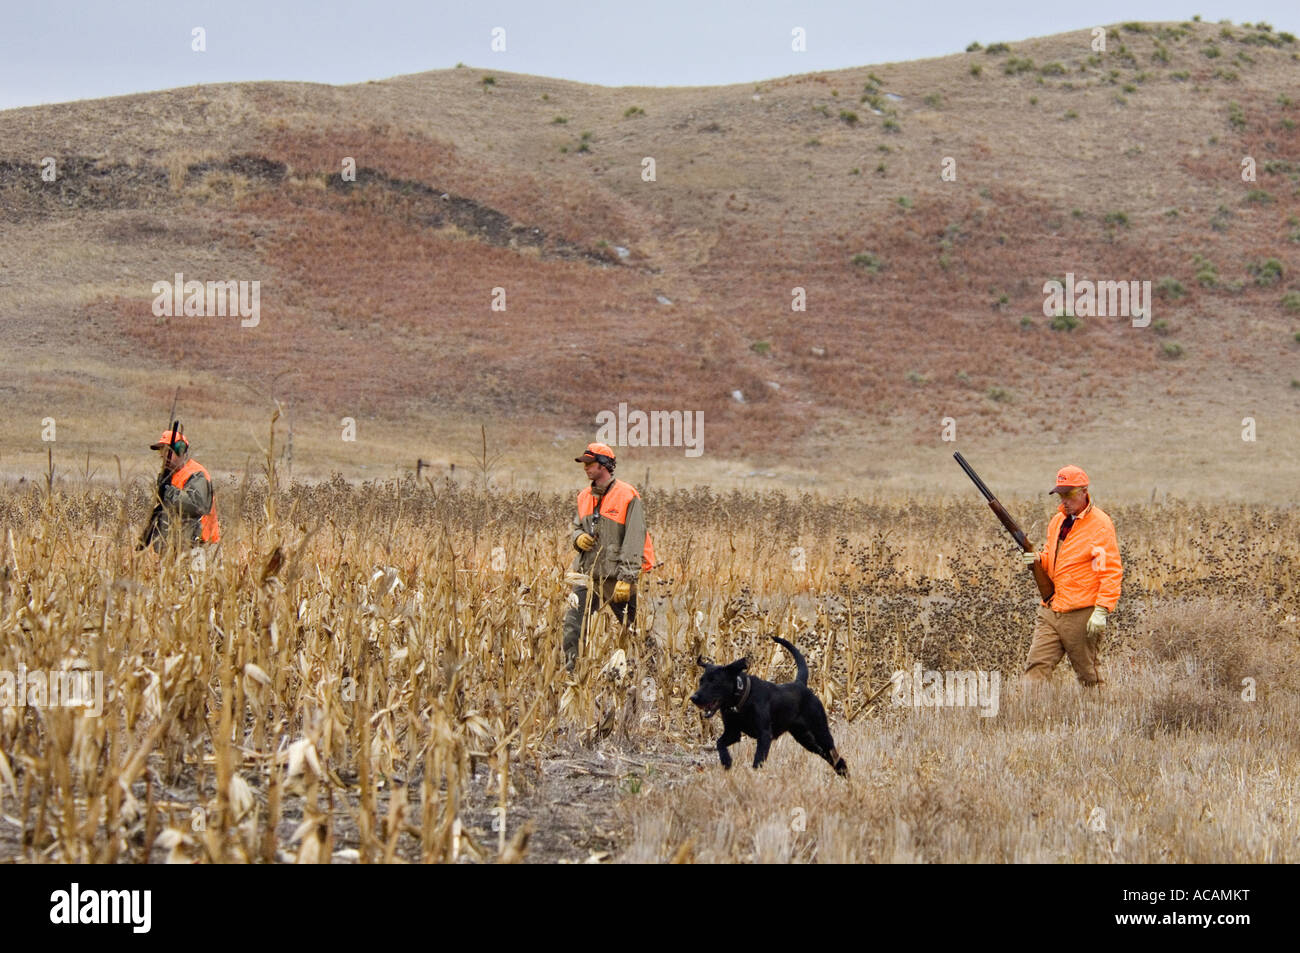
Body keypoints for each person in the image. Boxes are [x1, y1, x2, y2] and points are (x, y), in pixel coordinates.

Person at [1021, 465, 1121, 687]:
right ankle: (1026, 716)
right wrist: (1036, 558)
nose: (1064, 500)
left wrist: (1102, 609)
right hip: (1051, 608)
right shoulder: (1058, 521)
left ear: (1084, 491)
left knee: (1089, 677)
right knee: (1035, 669)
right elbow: (1052, 557)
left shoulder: (1100, 525)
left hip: (1081, 613)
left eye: (1069, 494)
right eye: (1060, 494)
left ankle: (1099, 716)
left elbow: (1110, 571)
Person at [562, 443, 654, 670]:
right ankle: (572, 675)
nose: (585, 468)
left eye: (590, 463)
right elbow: (575, 526)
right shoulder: (584, 496)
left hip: (616, 577)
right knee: (573, 627)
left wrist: (628, 578)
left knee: (632, 628)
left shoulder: (627, 495)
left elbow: (635, 538)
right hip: (587, 574)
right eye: (584, 463)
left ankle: (651, 671)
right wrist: (578, 537)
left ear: (604, 465)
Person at [139, 427, 221, 553]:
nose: (164, 457)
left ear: (180, 451)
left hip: (200, 547)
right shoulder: (170, 476)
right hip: (179, 549)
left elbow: (197, 505)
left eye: (168, 452)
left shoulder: (196, 473)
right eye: (162, 454)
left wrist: (168, 491)